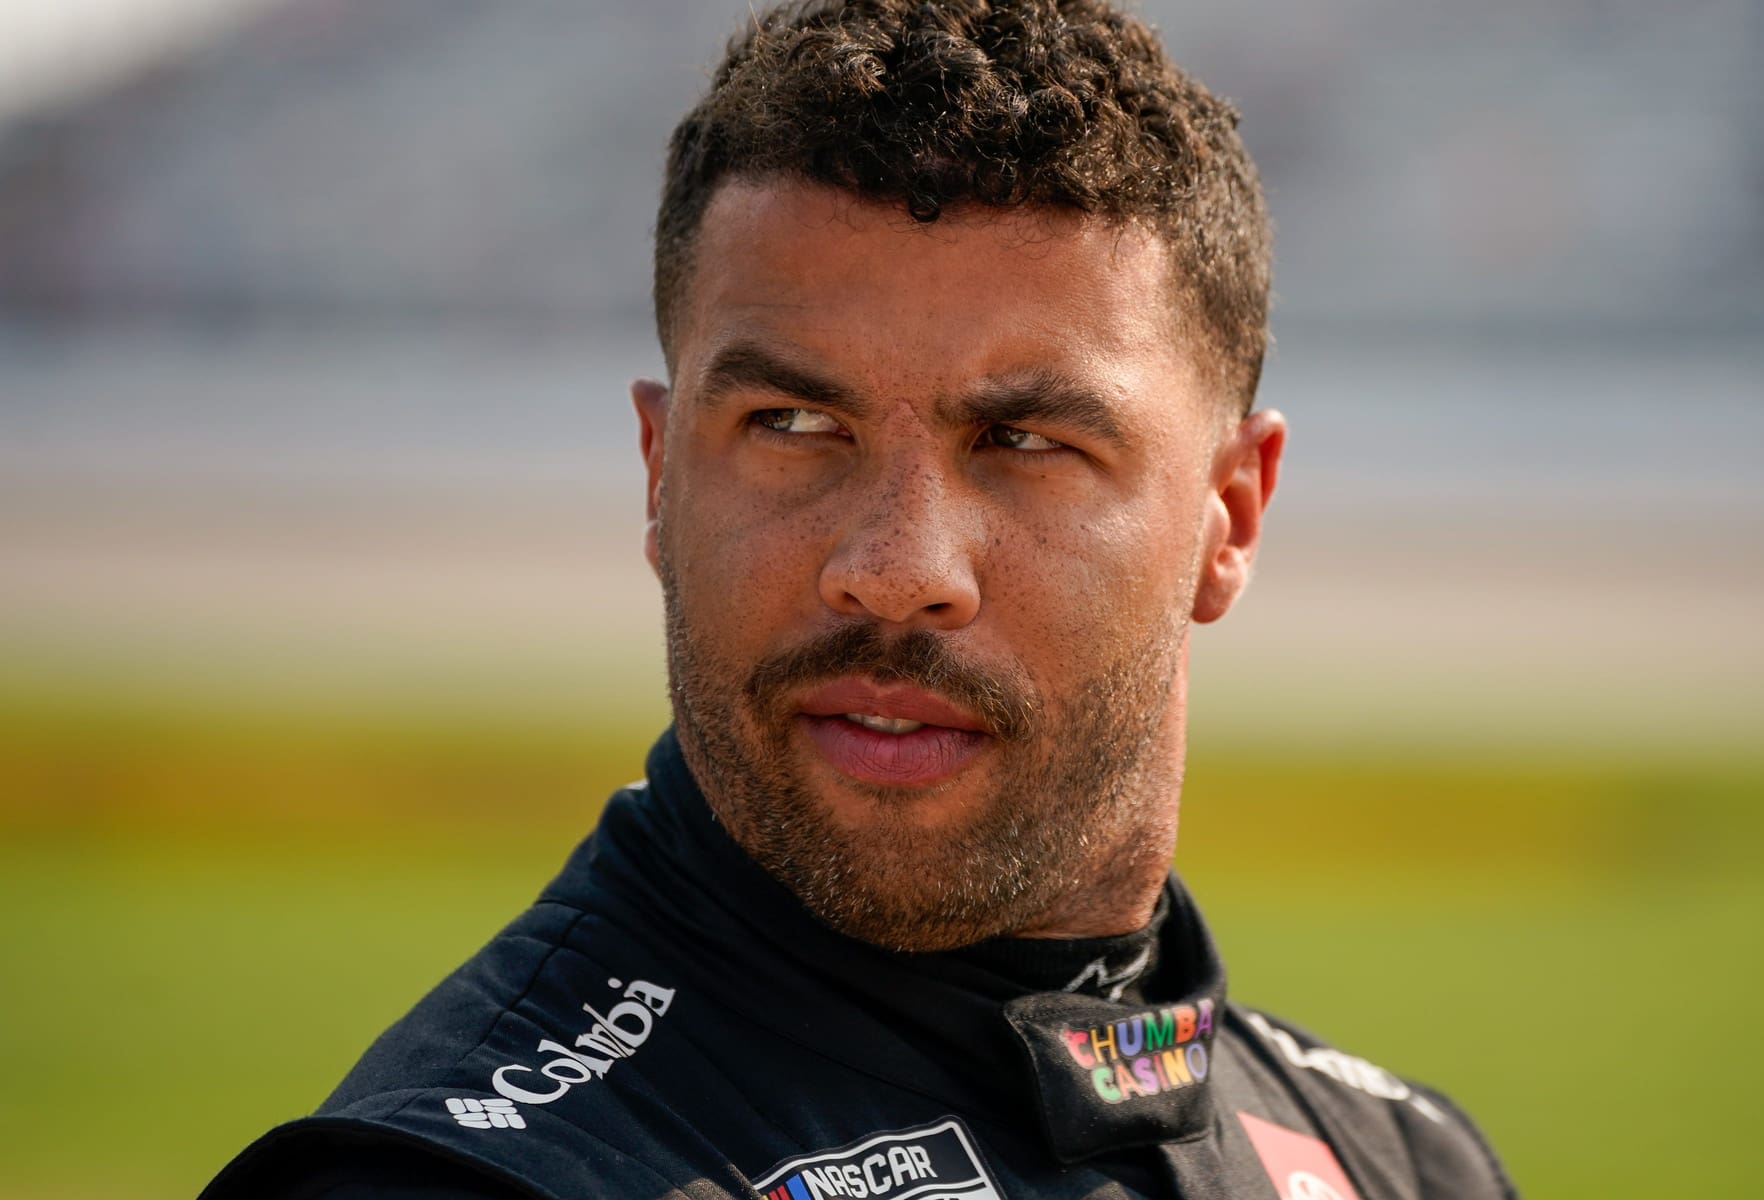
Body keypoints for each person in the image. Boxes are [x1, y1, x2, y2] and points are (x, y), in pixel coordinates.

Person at [205, 2, 1516, 1197]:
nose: (896, 568)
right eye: (792, 422)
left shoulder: (1403, 1165)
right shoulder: (459, 1183)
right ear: (661, 479)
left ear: (1232, 515)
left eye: (1026, 443)